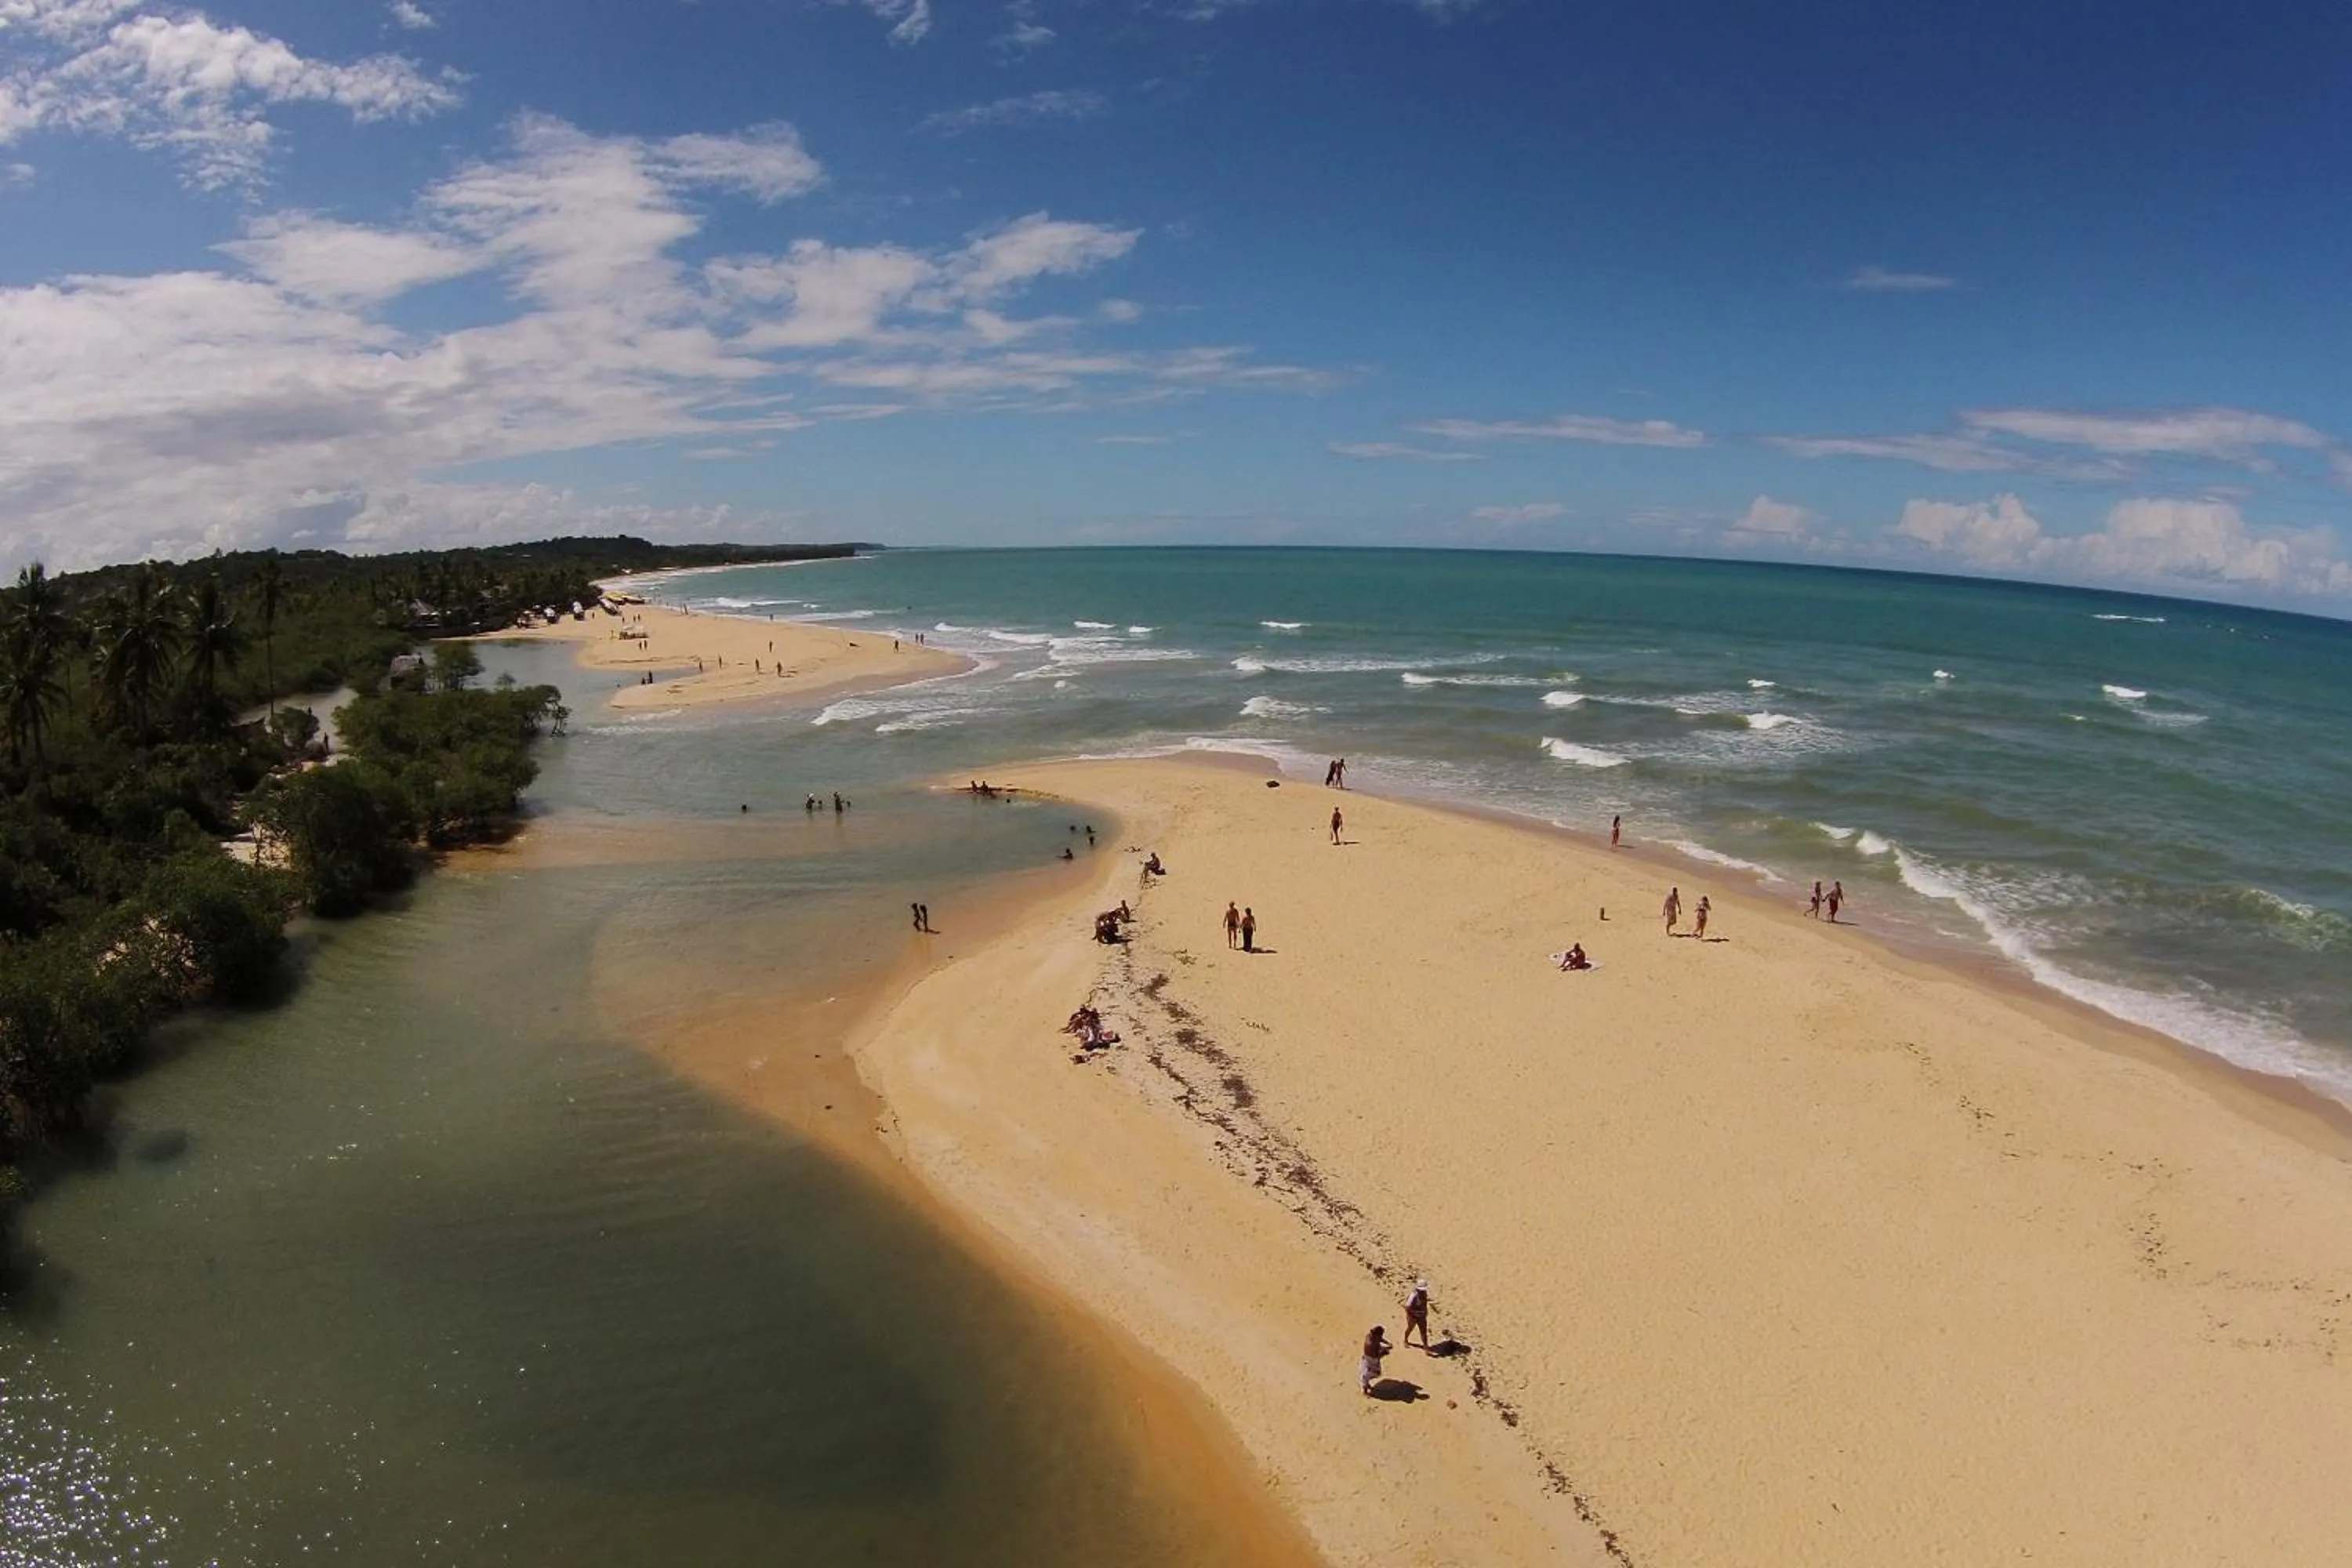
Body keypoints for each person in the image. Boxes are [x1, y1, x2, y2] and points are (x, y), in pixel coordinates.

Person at [1360, 1325, 1391, 1396]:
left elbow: (1380, 1339)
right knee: (1372, 1373)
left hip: (1370, 1358)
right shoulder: (1370, 1345)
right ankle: (1365, 1390)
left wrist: (1387, 1343)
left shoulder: (1371, 1336)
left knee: (1369, 1374)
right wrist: (1384, 1353)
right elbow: (1376, 1356)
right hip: (1371, 1359)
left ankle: (1367, 1385)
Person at [1403, 1280, 1431, 1350]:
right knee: (1410, 1328)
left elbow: (1424, 1303)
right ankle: (1405, 1339)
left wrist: (1425, 1312)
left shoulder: (1425, 1294)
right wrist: (1415, 1313)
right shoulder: (1413, 1295)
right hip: (1412, 1316)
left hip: (1422, 1316)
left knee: (1424, 1332)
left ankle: (1426, 1347)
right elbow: (1407, 1307)